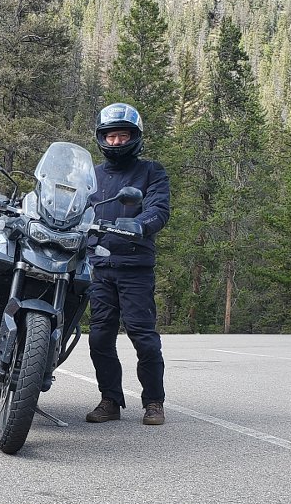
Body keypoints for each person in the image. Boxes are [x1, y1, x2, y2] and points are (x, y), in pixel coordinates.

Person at [85, 102, 170, 426]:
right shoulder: (91, 175)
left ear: (134, 137)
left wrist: (141, 224)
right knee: (99, 337)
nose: (116, 142)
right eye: (111, 136)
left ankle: (153, 402)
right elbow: (73, 205)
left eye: (122, 136)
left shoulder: (152, 171)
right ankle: (110, 400)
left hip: (135, 265)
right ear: (101, 138)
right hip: (99, 265)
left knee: (143, 336)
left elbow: (159, 208)